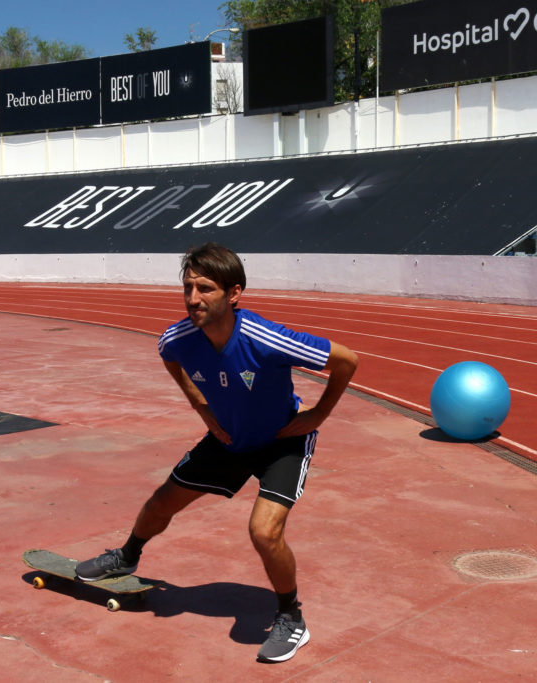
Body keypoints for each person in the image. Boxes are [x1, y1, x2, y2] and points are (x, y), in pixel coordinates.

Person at [76, 242, 358, 663]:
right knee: (160, 504)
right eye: (188, 287)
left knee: (264, 531)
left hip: (282, 440)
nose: (193, 298)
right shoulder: (180, 337)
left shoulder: (265, 337)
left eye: (205, 288)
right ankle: (127, 557)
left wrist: (318, 414)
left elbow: (347, 360)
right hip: (228, 439)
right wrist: (201, 407)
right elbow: (167, 355)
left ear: (234, 294)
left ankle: (290, 616)